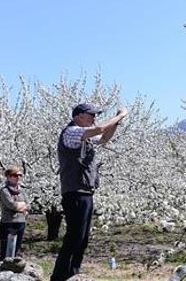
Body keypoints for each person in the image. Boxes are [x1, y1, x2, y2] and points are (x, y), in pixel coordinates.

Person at [50, 103, 127, 281]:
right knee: (74, 235)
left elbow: (104, 138)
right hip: (74, 191)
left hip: (85, 191)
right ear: (78, 116)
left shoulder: (83, 136)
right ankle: (60, 276)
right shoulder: (72, 132)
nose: (93, 118)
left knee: (82, 237)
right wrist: (120, 116)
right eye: (90, 115)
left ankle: (73, 272)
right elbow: (99, 129)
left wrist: (115, 123)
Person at [0, 165, 29, 260]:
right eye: (15, 175)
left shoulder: (22, 191)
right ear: (8, 177)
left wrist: (20, 206)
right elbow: (11, 205)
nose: (18, 178)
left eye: (19, 175)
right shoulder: (4, 191)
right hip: (8, 223)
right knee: (5, 250)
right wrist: (20, 206)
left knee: (16, 249)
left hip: (20, 222)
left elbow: (28, 205)